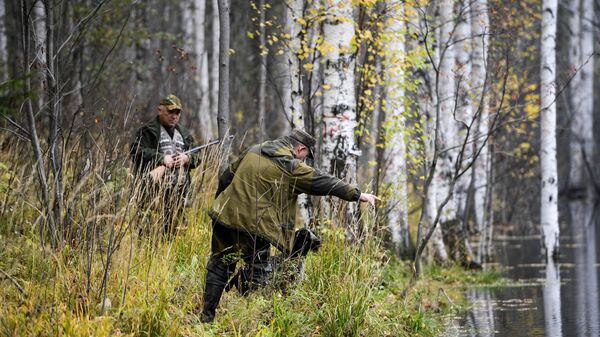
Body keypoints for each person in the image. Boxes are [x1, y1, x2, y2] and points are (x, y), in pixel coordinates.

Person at [200, 129, 378, 323]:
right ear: (300, 148)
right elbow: (324, 181)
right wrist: (357, 195)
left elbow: (226, 177)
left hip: (223, 217)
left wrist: (220, 205)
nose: (304, 161)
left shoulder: (254, 150)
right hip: (255, 227)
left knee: (219, 266)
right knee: (258, 275)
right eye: (305, 156)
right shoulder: (290, 166)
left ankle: (206, 320)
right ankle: (253, 324)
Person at [130, 94, 200, 237]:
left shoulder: (185, 134)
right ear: (160, 110)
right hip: (153, 193)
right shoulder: (147, 130)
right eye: (170, 111)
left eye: (177, 112)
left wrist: (187, 158)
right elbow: (135, 151)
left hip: (179, 193)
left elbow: (198, 156)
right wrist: (161, 158)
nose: (174, 116)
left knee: (176, 233)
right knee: (148, 234)